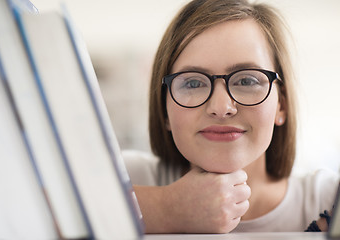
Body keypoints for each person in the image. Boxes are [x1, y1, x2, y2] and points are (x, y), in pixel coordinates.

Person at [123, 0, 340, 233]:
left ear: (281, 106)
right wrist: (167, 208)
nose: (221, 107)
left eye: (247, 81)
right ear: (164, 110)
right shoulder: (126, 176)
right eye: (193, 82)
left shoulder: (328, 200)